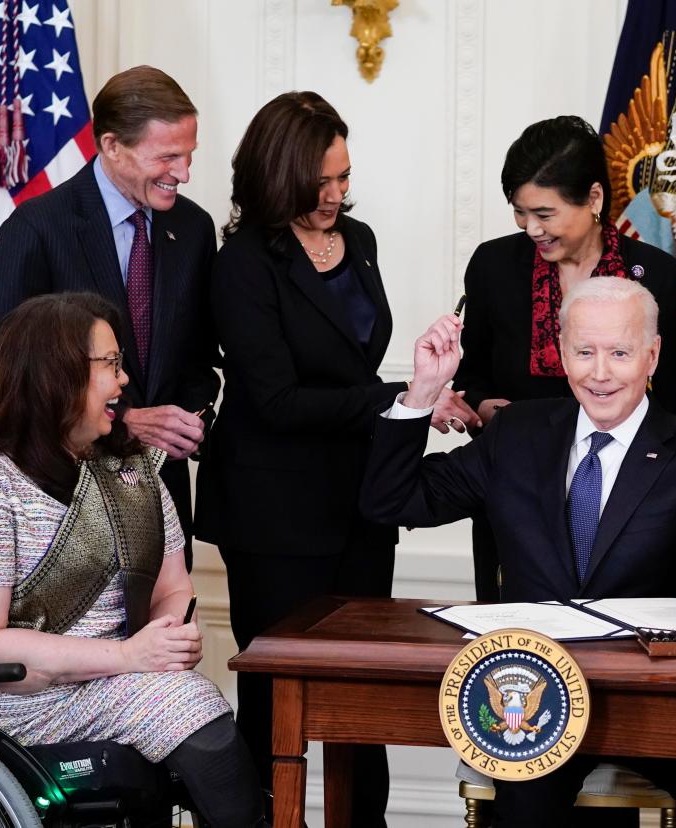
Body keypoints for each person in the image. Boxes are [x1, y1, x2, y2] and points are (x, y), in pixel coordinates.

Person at [361, 277, 676, 828]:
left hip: (654, 698)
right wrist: (421, 392)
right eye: (584, 352)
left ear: (652, 355)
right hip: (536, 700)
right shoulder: (516, 433)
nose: (600, 373)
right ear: (562, 353)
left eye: (620, 353)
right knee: (523, 810)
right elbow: (393, 501)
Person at [193, 90, 476, 825]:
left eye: (344, 177)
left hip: (360, 498)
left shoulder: (363, 240)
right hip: (273, 513)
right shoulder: (244, 262)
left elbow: (354, 368)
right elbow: (278, 401)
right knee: (273, 697)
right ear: (277, 175)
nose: (336, 195)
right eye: (321, 182)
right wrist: (402, 399)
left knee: (362, 690)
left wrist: (417, 397)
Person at [0, 293, 264, 828]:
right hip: (6, 698)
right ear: (54, 375)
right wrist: (133, 657)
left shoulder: (131, 472)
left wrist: (172, 634)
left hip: (109, 680)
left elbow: (172, 588)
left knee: (186, 698)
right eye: (109, 366)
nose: (122, 384)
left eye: (120, 365)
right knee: (185, 707)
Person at [0, 66, 220, 565]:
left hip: (163, 503)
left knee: (169, 640)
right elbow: (4, 379)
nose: (184, 172)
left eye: (189, 155)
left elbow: (199, 358)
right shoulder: (36, 229)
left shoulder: (194, 229)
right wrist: (124, 418)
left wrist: (188, 418)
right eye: (167, 157)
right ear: (112, 145)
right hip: (63, 500)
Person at [452, 115, 676, 602]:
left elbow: (675, 409)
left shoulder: (659, 277)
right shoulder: (494, 267)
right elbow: (470, 375)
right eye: (520, 212)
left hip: (633, 508)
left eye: (544, 213)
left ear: (595, 199)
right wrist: (483, 409)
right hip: (518, 502)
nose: (530, 228)